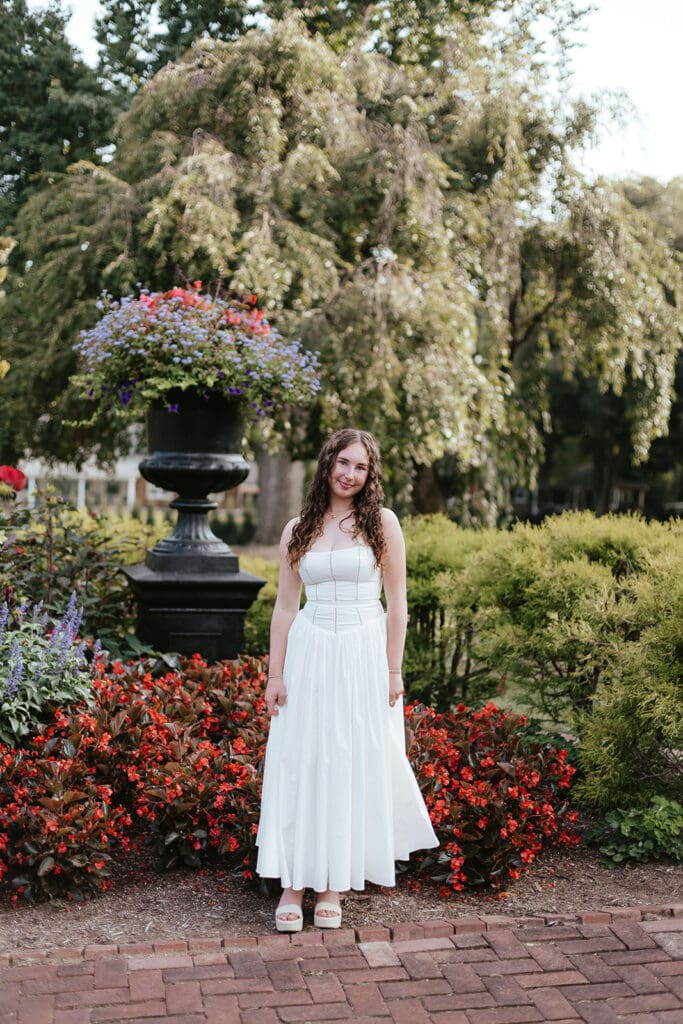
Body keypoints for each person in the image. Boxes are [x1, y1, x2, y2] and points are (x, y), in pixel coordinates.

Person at [256, 428, 438, 931]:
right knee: (302, 759)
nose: (349, 474)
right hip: (311, 652)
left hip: (363, 652)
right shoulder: (298, 528)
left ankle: (333, 886)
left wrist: (393, 668)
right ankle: (293, 883)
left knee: (346, 759)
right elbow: (285, 606)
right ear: (327, 464)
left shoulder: (382, 524)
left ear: (369, 473)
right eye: (343, 463)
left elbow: (398, 603)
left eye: (360, 467)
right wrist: (275, 673)